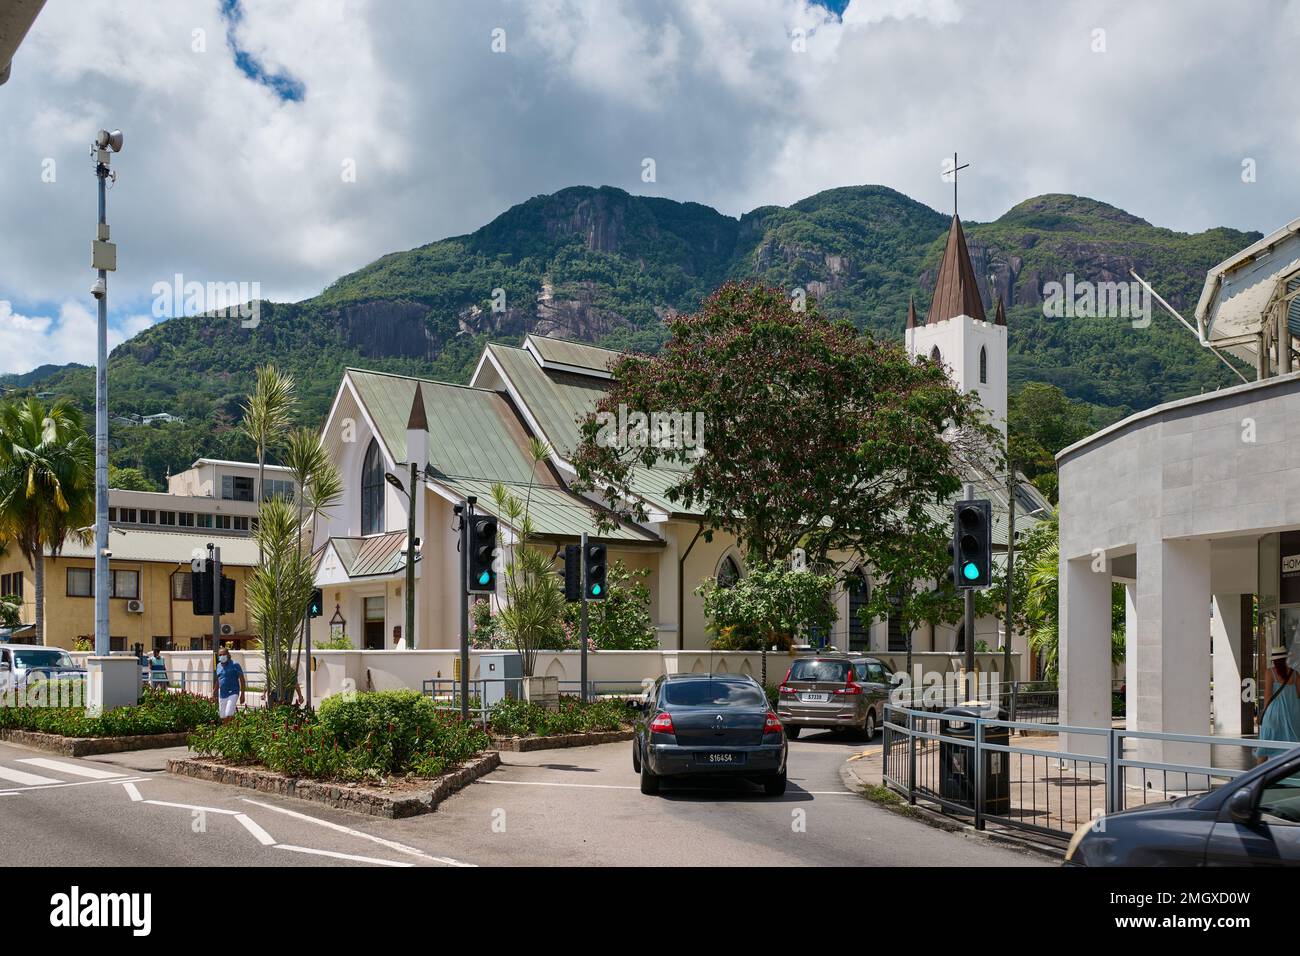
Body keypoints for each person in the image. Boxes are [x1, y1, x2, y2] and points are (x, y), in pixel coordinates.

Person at [1256, 647, 1300, 764]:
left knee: (1264, 748)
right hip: (1293, 715)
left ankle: (1257, 778)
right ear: (1285, 659)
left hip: (1274, 715)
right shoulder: (1295, 673)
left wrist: (1265, 712)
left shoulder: (1270, 672)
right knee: (1292, 747)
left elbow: (1267, 695)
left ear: (1274, 660)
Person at [212, 646, 245, 723]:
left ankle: (230, 730)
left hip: (233, 692)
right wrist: (214, 691)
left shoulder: (235, 665)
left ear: (228, 655)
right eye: (220, 655)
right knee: (223, 716)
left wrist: (242, 694)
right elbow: (218, 679)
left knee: (228, 713)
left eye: (223, 654)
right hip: (223, 694)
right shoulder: (218, 666)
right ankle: (229, 731)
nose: (222, 656)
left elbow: (242, 680)